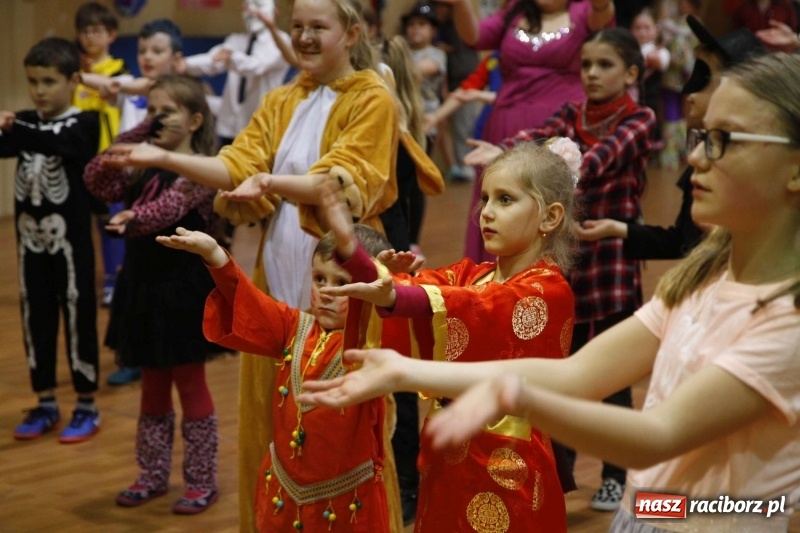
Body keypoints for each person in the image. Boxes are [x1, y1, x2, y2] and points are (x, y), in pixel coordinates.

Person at [302, 51, 800, 533]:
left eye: (722, 139)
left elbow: (656, 438)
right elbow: (579, 374)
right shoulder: (698, 279)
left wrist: (504, 390)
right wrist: (370, 288)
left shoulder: (788, 323)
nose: (694, 156)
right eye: (700, 136)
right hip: (651, 513)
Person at [102, 1, 401, 530]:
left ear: (351, 32)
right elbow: (234, 165)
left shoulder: (372, 98)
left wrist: (269, 183)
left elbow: (338, 182)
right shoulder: (283, 97)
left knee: (345, 423)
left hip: (341, 271)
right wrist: (165, 158)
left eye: (318, 27)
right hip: (282, 266)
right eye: (298, 28)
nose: (305, 38)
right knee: (274, 406)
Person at [308, 139, 582, 532]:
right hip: (449, 456)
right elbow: (414, 290)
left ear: (550, 217)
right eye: (485, 199)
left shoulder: (548, 290)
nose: (486, 212)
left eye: (505, 200)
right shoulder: (475, 274)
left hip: (509, 466)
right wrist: (358, 259)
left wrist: (396, 290)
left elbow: (475, 304)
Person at [465, 28, 655, 511]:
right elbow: (533, 140)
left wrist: (532, 170)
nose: (591, 73)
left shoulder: (639, 119)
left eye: (605, 65)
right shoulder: (571, 114)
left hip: (609, 265)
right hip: (564, 262)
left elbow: (593, 163)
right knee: (559, 367)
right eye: (586, 64)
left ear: (631, 73)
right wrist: (508, 157)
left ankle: (616, 474)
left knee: (608, 376)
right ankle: (559, 470)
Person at [157, 209, 397, 531]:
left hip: (344, 508)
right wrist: (214, 254)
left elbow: (386, 320)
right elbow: (249, 301)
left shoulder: (369, 349)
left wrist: (384, 292)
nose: (326, 291)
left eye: (342, 283)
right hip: (282, 496)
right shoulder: (294, 327)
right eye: (319, 278)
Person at [83, 74, 221, 514]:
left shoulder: (199, 167)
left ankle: (201, 480)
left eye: (166, 112)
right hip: (142, 287)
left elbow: (169, 210)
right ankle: (152, 473)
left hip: (181, 290)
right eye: (151, 110)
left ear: (195, 120)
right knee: (152, 384)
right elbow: (96, 178)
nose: (155, 118)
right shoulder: (144, 162)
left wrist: (132, 219)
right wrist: (141, 131)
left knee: (189, 380)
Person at [435, 0, 615, 262]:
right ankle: (493, 290)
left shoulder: (584, 10)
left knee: (548, 208)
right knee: (501, 202)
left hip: (561, 130)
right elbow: (474, 37)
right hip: (507, 126)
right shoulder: (515, 11)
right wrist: (460, 4)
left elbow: (603, 14)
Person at [576, 18, 768, 261]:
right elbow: (683, 241)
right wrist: (617, 229)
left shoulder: (758, 169)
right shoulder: (701, 155)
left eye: (704, 77)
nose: (689, 92)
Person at [0, 38, 102, 444]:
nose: (39, 90)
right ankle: (44, 400)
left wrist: (15, 126)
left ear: (73, 81)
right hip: (29, 244)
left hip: (70, 245)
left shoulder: (83, 124)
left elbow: (58, 143)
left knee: (78, 318)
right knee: (35, 319)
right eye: (32, 82)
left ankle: (87, 403)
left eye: (48, 81)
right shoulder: (26, 122)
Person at [81, 17, 187, 386]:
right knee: (133, 276)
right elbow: (114, 85)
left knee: (163, 282)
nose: (147, 56)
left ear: (176, 58)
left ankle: (164, 352)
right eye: (142, 50)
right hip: (135, 187)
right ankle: (133, 354)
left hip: (171, 199)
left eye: (156, 50)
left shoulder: (183, 97)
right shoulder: (136, 92)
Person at [73, 2, 129, 311]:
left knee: (111, 224)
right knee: (88, 224)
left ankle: (112, 281)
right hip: (80, 163)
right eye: (84, 31)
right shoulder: (76, 74)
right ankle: (88, 279)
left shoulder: (118, 71)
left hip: (109, 161)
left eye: (96, 30)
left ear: (111, 34)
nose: (90, 37)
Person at [182, 0, 291, 147]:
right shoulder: (236, 40)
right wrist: (185, 64)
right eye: (247, 6)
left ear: (275, 12)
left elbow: (256, 65)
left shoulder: (281, 42)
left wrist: (232, 57)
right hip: (229, 128)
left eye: (258, 6)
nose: (252, 12)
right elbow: (212, 61)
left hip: (259, 129)